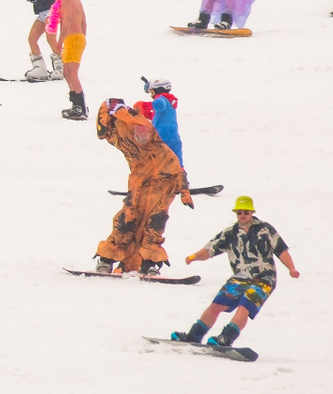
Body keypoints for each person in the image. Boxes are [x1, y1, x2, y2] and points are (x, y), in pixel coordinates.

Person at [173, 196, 299, 349]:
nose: (242, 215)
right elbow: (210, 249)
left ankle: (226, 338)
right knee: (216, 305)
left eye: (246, 212)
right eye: (239, 212)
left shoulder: (265, 230)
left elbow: (281, 250)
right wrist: (194, 257)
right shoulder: (230, 233)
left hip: (264, 279)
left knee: (245, 306)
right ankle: (194, 335)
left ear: (252, 212)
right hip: (240, 278)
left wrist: (291, 268)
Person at [91, 98, 192, 276]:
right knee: (126, 222)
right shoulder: (131, 147)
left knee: (155, 224)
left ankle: (149, 263)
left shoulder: (160, 150)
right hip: (141, 187)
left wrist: (185, 192)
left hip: (161, 190)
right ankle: (106, 259)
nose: (142, 134)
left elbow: (177, 169)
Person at [18, 0, 62, 80]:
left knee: (51, 40)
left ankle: (62, 67)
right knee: (32, 38)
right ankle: (39, 68)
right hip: (43, 13)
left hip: (52, 12)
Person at [53, 0, 88, 120]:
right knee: (67, 73)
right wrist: (82, 38)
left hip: (72, 39)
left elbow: (66, 22)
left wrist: (60, 41)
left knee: (71, 73)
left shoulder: (67, 0)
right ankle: (76, 104)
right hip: (77, 38)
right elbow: (84, 23)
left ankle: (80, 107)